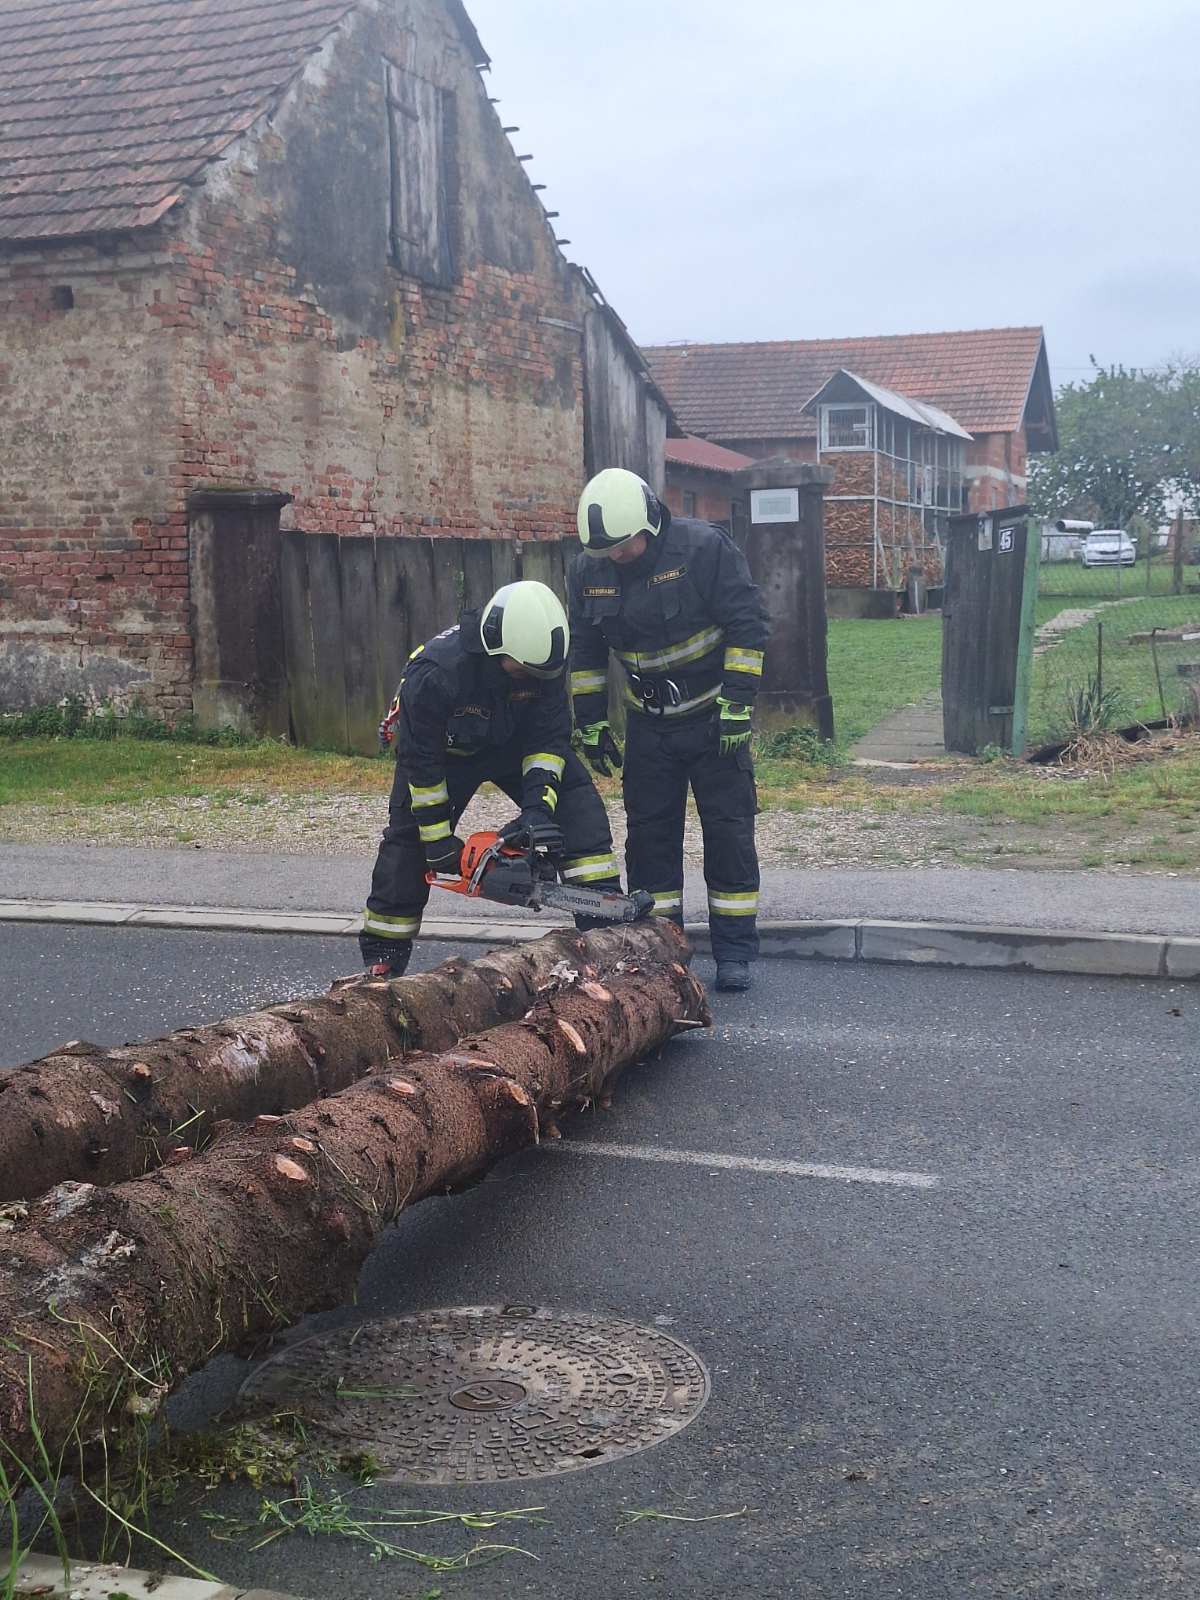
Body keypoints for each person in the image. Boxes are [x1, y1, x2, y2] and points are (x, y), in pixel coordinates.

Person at [568, 468, 769, 992]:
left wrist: (738, 703)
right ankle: (663, 951)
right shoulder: (589, 569)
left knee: (728, 835)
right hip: (648, 728)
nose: (614, 557)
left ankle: (735, 952)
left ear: (650, 524)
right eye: (604, 550)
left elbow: (748, 623)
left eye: (622, 546)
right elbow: (587, 653)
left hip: (712, 721)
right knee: (650, 843)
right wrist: (589, 721)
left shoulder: (702, 549)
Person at [360, 579, 621, 977]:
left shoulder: (545, 667)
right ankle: (383, 960)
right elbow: (421, 763)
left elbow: (549, 740)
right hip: (445, 755)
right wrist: (440, 844)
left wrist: (537, 811)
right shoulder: (437, 673)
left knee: (577, 806)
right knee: (408, 845)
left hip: (513, 745)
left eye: (541, 674)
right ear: (497, 648)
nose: (533, 680)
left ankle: (606, 927)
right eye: (525, 672)